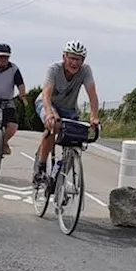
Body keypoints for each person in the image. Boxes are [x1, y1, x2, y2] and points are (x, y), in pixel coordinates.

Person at [33, 40, 100, 184]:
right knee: (54, 125)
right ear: (64, 57)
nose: (75, 63)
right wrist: (49, 113)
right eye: (72, 58)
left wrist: (94, 117)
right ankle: (41, 166)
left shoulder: (85, 70)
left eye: (79, 59)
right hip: (48, 104)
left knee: (75, 140)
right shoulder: (54, 69)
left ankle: (60, 180)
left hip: (69, 109)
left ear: (83, 60)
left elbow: (92, 95)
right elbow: (46, 94)